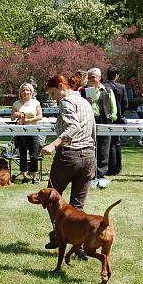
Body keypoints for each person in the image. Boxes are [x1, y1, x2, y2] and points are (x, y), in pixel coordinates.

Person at [40, 73, 96, 250]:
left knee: (50, 198)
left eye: (52, 94)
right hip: (88, 156)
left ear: (61, 87)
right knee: (77, 206)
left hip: (69, 156)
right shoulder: (85, 102)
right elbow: (93, 129)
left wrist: (53, 145)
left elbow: (74, 126)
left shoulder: (66, 101)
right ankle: (78, 244)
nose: (53, 98)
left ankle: (60, 235)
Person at [82, 68, 117, 188]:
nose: (92, 79)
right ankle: (90, 173)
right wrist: (86, 101)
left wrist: (113, 115)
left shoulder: (107, 89)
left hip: (104, 119)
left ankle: (101, 174)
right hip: (89, 120)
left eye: (94, 77)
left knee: (104, 146)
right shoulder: (84, 91)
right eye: (90, 77)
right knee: (90, 146)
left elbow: (113, 104)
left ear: (99, 77)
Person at [10, 82, 43, 182]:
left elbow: (40, 116)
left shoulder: (36, 103)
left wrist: (29, 121)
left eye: (27, 90)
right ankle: (24, 176)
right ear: (20, 92)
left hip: (33, 131)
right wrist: (15, 115)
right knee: (22, 154)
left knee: (34, 154)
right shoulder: (16, 104)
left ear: (31, 92)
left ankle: (34, 176)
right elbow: (12, 118)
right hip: (20, 132)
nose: (25, 92)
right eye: (23, 90)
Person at [106, 66, 128, 176]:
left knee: (107, 143)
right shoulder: (122, 87)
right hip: (118, 118)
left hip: (106, 118)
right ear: (116, 76)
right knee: (117, 143)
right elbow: (125, 103)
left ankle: (109, 166)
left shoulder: (104, 87)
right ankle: (117, 167)